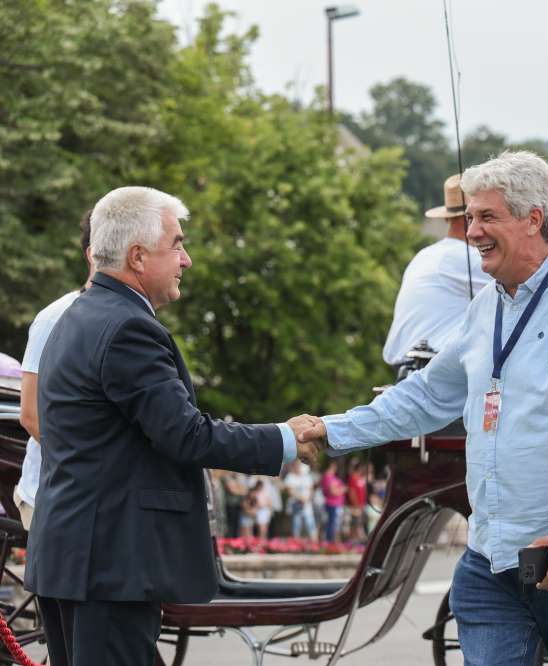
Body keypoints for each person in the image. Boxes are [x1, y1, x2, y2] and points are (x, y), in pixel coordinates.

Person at [298, 151, 548, 665]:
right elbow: (423, 396)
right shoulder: (487, 306)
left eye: (486, 217)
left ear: (533, 220)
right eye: (470, 218)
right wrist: (332, 431)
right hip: (491, 561)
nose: (471, 232)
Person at [25, 186, 325, 666]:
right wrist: (285, 438)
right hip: (109, 565)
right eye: (178, 244)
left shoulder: (81, 315)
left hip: (77, 558)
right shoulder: (126, 327)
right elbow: (186, 434)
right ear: (138, 256)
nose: (186, 259)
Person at [15, 209, 95, 531]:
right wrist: (89, 468)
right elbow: (30, 413)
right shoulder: (56, 317)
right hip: (55, 499)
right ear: (93, 253)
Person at [382, 174, 491, 368]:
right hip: (431, 372)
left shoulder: (425, 255)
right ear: (470, 217)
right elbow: (522, 285)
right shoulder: (463, 258)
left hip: (406, 368)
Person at [284, 460, 318, 540]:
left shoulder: (307, 477)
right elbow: (290, 491)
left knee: (311, 525)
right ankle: (296, 546)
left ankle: (315, 545)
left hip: (307, 505)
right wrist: (300, 498)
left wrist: (307, 499)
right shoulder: (290, 477)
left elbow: (311, 489)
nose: (298, 467)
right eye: (296, 465)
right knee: (296, 526)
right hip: (296, 506)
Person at [321, 460, 346, 543]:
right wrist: (343, 489)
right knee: (332, 524)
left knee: (333, 523)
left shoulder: (331, 476)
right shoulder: (329, 476)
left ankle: (331, 541)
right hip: (333, 504)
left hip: (335, 504)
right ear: (332, 466)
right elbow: (333, 492)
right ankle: (330, 541)